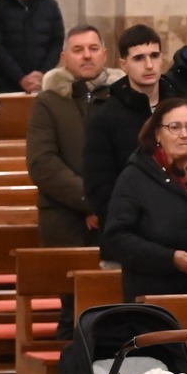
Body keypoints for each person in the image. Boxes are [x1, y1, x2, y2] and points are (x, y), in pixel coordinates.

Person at [100, 99, 187, 299]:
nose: (184, 134)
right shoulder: (135, 177)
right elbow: (116, 238)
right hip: (153, 295)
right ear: (157, 134)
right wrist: (171, 259)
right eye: (174, 127)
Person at [26, 25, 120, 246]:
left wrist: (111, 203)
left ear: (104, 54)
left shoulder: (122, 98)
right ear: (64, 57)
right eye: (78, 50)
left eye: (93, 48)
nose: (87, 55)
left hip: (117, 216)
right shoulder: (48, 102)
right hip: (63, 217)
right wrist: (91, 200)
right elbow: (42, 163)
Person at [84, 24, 171, 225]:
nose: (149, 65)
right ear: (124, 64)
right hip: (131, 225)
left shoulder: (181, 107)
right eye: (139, 58)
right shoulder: (105, 117)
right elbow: (99, 185)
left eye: (154, 56)